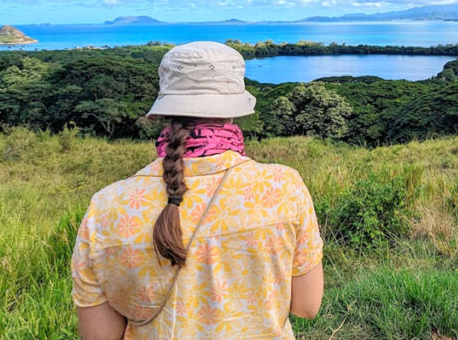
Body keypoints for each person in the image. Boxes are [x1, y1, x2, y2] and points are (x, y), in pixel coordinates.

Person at [71, 41, 324, 339]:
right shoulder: (284, 186)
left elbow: (100, 336)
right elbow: (306, 306)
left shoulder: (106, 206)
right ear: (234, 108)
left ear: (166, 109)